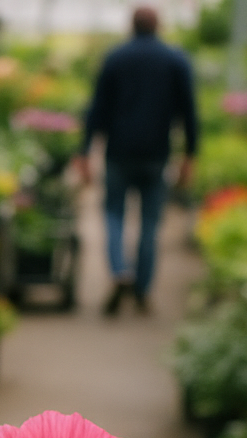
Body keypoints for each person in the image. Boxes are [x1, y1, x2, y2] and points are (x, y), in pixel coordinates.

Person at [73, 6, 198, 314]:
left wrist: (85, 152)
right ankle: (142, 289)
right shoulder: (175, 60)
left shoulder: (115, 58)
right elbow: (189, 113)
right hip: (157, 154)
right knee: (150, 223)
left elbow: (97, 109)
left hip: (119, 152)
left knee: (114, 214)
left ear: (132, 26)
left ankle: (120, 270)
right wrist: (189, 156)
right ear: (158, 26)